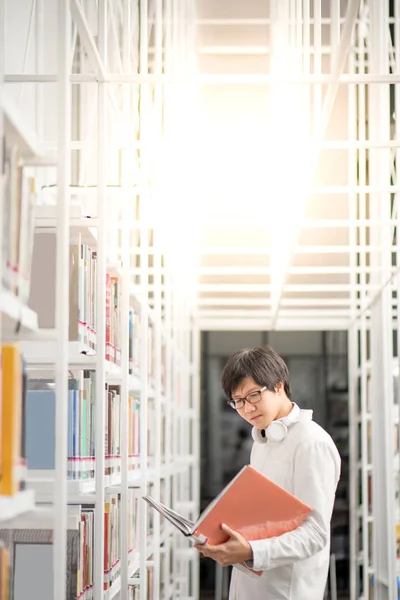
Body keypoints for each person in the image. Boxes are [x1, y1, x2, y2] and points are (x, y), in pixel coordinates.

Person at [195, 346, 341, 600]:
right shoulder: (263, 440)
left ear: (278, 386)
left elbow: (316, 534)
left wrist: (251, 550)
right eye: (238, 401)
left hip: (285, 591)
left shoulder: (311, 443)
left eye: (253, 395)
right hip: (253, 583)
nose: (247, 409)